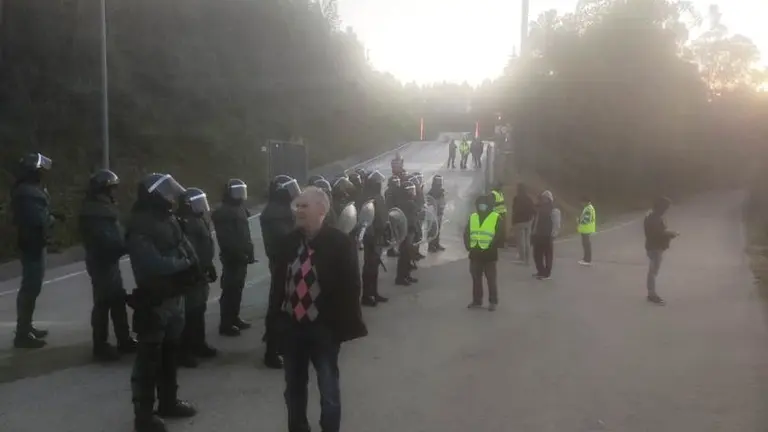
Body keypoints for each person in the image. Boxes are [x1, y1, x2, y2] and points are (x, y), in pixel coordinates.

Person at [266, 187, 367, 432]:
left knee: (328, 388)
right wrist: (274, 323)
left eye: (305, 206)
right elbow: (278, 285)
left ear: (321, 210)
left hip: (324, 328)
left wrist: (340, 328)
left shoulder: (339, 243)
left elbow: (351, 287)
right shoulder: (289, 242)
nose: (298, 211)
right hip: (292, 328)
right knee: (293, 388)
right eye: (297, 206)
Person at [125, 173, 200, 432]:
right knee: (148, 360)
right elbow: (151, 263)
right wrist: (183, 264)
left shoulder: (168, 218)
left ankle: (168, 401)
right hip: (154, 299)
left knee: (170, 353)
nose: (170, 197)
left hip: (174, 295)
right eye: (165, 192)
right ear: (153, 195)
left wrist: (192, 264)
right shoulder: (140, 224)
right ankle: (143, 416)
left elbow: (185, 245)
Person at [79, 169, 136, 361]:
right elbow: (106, 240)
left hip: (108, 260)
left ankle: (124, 339)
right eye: (111, 189)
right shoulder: (96, 213)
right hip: (102, 261)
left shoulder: (101, 208)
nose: (114, 192)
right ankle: (101, 345)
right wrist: (125, 245)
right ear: (103, 190)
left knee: (117, 300)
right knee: (103, 303)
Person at [11, 152, 60, 348]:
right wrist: (52, 218)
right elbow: (38, 220)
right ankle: (22, 332)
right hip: (32, 243)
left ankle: (26, 327)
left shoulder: (28, 191)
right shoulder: (28, 193)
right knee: (30, 288)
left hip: (33, 242)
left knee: (32, 287)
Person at [261, 175, 301, 369]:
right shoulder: (275, 214)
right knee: (279, 306)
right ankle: (272, 351)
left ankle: (280, 344)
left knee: (286, 304)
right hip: (282, 263)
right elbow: (286, 238)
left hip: (286, 261)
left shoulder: (282, 210)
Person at [176, 187, 218, 368]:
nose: (202, 206)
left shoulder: (198, 220)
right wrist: (195, 269)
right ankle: (184, 351)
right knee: (189, 312)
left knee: (199, 309)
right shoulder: (185, 224)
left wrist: (208, 265)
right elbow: (189, 249)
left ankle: (199, 343)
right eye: (197, 203)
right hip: (192, 271)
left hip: (201, 270)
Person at [211, 178, 256, 337]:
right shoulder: (223, 212)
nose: (240, 195)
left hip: (241, 256)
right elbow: (227, 239)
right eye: (236, 192)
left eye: (241, 191)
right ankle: (226, 324)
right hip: (232, 258)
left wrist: (249, 252)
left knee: (237, 289)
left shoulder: (240, 209)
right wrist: (238, 253)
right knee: (230, 290)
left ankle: (234, 318)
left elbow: (245, 234)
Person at [464, 194, 502, 311]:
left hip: (489, 254)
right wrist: (468, 245)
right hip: (475, 253)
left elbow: (499, 235)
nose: (482, 206)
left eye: (484, 204)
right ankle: (477, 301)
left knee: (491, 279)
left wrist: (491, 245)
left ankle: (493, 301)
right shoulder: (473, 217)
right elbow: (466, 233)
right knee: (476, 279)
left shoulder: (496, 217)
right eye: (480, 204)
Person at [361, 170, 389, 307]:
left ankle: (374, 292)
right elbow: (366, 220)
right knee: (369, 267)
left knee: (375, 266)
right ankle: (366, 296)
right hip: (371, 238)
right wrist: (372, 237)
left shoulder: (379, 197)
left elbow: (383, 216)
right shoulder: (368, 199)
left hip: (379, 236)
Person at [644, 197, 678, 305]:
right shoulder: (654, 218)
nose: (667, 210)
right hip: (655, 247)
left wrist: (668, 233)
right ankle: (652, 294)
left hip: (655, 246)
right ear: (661, 207)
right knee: (653, 271)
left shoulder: (655, 216)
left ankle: (651, 293)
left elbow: (659, 231)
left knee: (653, 271)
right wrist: (670, 234)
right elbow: (657, 233)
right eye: (666, 208)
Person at [531, 190, 561, 280]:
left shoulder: (554, 210)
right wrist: (533, 231)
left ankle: (547, 273)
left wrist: (554, 233)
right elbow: (536, 221)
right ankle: (540, 271)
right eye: (543, 198)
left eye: (545, 198)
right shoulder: (539, 208)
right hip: (538, 234)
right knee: (537, 254)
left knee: (547, 254)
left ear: (549, 199)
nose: (543, 199)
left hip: (547, 235)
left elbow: (556, 223)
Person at [395, 181, 419, 286]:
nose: (413, 192)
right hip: (407, 231)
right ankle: (400, 278)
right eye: (411, 190)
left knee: (407, 256)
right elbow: (411, 218)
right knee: (404, 256)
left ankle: (406, 275)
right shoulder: (407, 203)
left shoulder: (406, 202)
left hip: (409, 231)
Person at [511, 183, 536, 265]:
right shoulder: (529, 199)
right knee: (527, 241)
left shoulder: (516, 199)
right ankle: (527, 259)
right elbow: (534, 210)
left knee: (521, 241)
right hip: (528, 222)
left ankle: (522, 258)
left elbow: (514, 211)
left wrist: (512, 222)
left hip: (518, 222)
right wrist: (532, 219)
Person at [427, 175, 446, 252]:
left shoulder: (441, 191)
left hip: (440, 213)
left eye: (440, 181)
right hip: (434, 215)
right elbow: (430, 203)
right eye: (438, 181)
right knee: (432, 230)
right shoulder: (431, 192)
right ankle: (431, 246)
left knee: (438, 230)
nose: (439, 183)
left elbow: (442, 201)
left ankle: (436, 244)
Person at [577, 196, 597, 266]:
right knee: (586, 244)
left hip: (586, 228)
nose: (581, 204)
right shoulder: (588, 208)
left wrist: (579, 221)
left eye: (582, 202)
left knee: (586, 245)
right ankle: (585, 258)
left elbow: (586, 220)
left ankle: (587, 259)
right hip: (586, 229)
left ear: (585, 202)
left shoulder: (588, 209)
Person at [490, 182, 507, 248]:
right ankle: (497, 243)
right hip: (497, 214)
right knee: (497, 229)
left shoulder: (500, 193)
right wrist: (501, 203)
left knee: (502, 229)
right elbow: (492, 204)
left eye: (501, 186)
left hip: (502, 213)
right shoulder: (493, 193)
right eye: (500, 186)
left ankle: (501, 243)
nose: (501, 188)